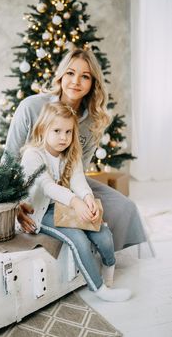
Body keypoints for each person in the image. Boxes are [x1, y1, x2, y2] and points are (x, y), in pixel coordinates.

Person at [3, 47, 147, 251]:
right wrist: (14, 204)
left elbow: (78, 170)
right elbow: (8, 160)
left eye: (85, 76)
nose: (75, 81)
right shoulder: (30, 107)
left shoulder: (93, 121)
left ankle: (106, 255)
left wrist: (83, 198)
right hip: (30, 184)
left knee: (125, 207)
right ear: (61, 75)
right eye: (70, 73)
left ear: (93, 83)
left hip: (69, 179)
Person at [20, 102, 131, 302]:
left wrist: (87, 199)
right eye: (57, 131)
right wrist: (75, 202)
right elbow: (47, 186)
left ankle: (109, 270)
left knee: (102, 231)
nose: (64, 137)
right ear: (43, 129)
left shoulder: (70, 153)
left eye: (68, 132)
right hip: (40, 212)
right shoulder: (33, 155)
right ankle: (99, 290)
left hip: (64, 206)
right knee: (78, 238)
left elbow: (78, 180)